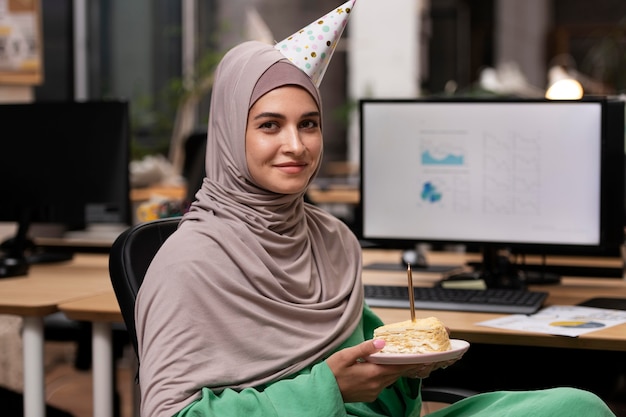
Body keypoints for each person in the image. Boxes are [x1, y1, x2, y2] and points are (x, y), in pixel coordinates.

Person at [134, 3, 617, 417]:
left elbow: (375, 378)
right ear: (229, 135)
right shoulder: (188, 263)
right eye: (268, 125)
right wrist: (326, 391)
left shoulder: (331, 240)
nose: (295, 145)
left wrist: (405, 369)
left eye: (308, 124)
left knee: (579, 406)